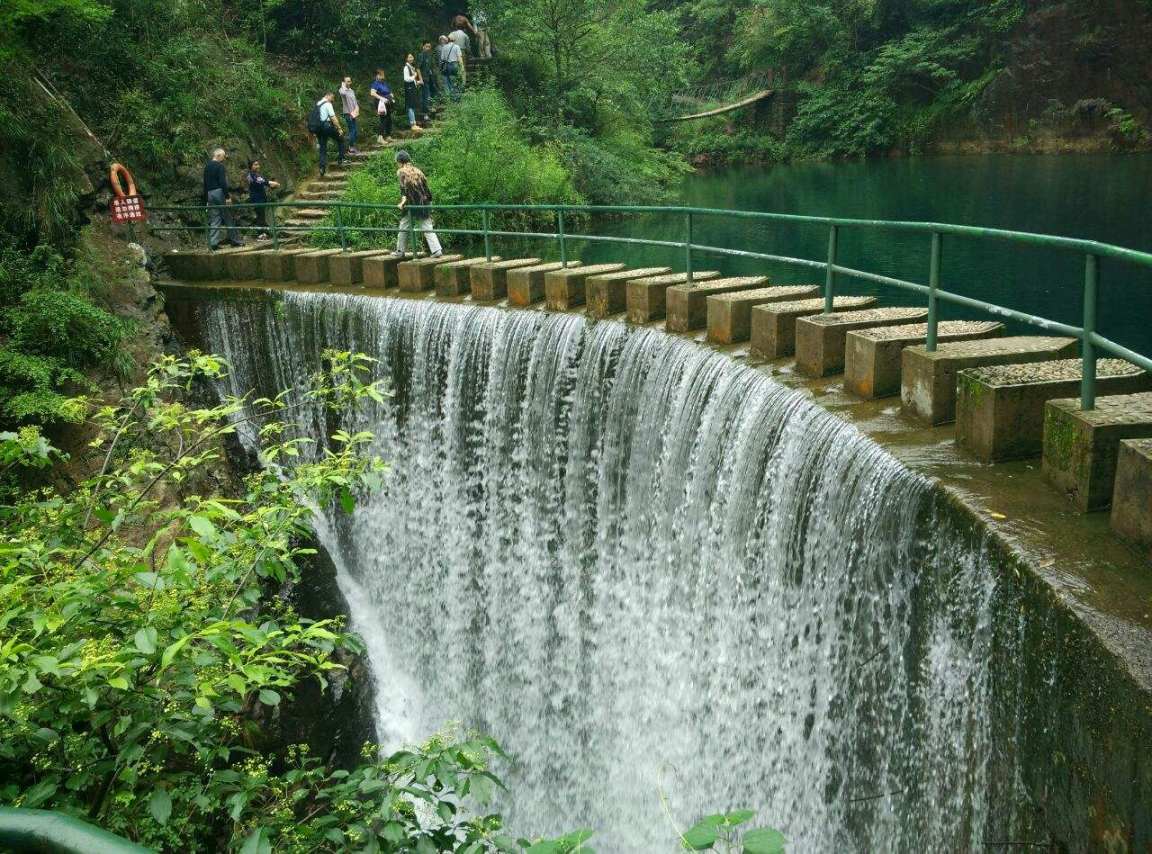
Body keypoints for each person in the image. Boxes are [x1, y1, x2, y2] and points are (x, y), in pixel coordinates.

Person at [392, 150, 441, 258]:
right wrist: (430, 204)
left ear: (400, 162)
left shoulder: (401, 172)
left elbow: (404, 190)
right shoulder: (418, 171)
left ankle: (400, 251)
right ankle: (437, 250)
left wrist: (402, 203)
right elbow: (427, 190)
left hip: (412, 204)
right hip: (424, 203)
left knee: (404, 226)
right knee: (427, 227)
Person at [203, 148, 241, 250]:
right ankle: (235, 241)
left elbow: (205, 184)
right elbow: (222, 182)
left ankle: (213, 243)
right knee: (228, 216)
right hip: (219, 192)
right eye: (223, 156)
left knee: (215, 218)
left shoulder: (207, 166)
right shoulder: (220, 166)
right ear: (218, 155)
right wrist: (227, 197)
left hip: (210, 193)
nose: (224, 159)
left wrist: (206, 199)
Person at [244, 159, 279, 239]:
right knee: (260, 217)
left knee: (261, 216)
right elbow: (262, 181)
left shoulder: (256, 175)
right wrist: (272, 183)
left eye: (258, 164)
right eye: (255, 165)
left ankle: (265, 233)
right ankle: (262, 234)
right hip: (257, 199)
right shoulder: (251, 175)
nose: (258, 166)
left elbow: (262, 182)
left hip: (261, 199)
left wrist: (272, 185)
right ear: (251, 166)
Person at [313, 92, 345, 177]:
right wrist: (339, 129)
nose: (333, 100)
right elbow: (333, 117)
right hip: (326, 126)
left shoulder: (318, 103)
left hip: (318, 128)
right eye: (332, 97)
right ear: (327, 96)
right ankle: (341, 160)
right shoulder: (328, 104)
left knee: (322, 148)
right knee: (341, 139)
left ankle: (322, 167)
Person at [370, 69, 394, 145]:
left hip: (388, 102)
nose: (382, 76)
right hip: (380, 103)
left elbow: (389, 91)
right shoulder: (375, 83)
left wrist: (391, 95)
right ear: (377, 75)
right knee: (383, 119)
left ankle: (388, 136)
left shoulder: (384, 83)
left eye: (383, 74)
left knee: (389, 118)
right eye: (380, 75)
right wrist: (381, 98)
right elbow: (372, 93)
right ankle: (380, 138)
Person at [338, 76, 360, 154]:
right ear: (344, 82)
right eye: (347, 81)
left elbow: (355, 102)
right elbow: (343, 93)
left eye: (349, 81)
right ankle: (350, 148)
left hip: (354, 113)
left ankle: (352, 147)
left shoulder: (351, 91)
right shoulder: (342, 90)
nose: (349, 83)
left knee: (355, 131)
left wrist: (357, 109)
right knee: (352, 130)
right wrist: (343, 86)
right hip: (348, 113)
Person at [417, 41, 438, 120]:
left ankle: (431, 110)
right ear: (423, 47)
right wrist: (420, 79)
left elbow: (431, 67)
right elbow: (418, 68)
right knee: (426, 95)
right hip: (424, 79)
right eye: (426, 46)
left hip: (430, 78)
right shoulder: (421, 55)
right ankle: (425, 114)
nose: (428, 48)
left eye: (429, 47)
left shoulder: (430, 56)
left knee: (433, 93)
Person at [438, 35, 463, 100]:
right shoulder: (456, 46)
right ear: (454, 39)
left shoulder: (444, 47)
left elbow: (442, 58)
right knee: (456, 82)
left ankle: (451, 98)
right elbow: (459, 57)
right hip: (455, 65)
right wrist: (462, 67)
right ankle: (456, 98)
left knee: (449, 82)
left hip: (447, 66)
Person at [402, 54, 422, 131]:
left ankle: (414, 124)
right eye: (409, 57)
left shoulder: (411, 67)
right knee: (410, 106)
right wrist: (414, 75)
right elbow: (406, 79)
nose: (411, 58)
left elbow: (412, 79)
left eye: (412, 57)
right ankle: (412, 124)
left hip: (412, 88)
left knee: (412, 105)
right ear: (406, 59)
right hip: (409, 88)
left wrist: (417, 82)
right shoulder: (406, 68)